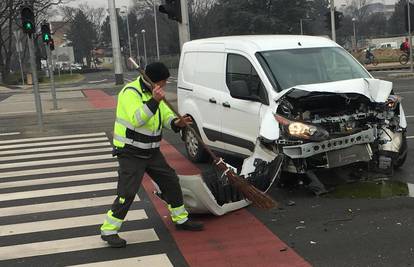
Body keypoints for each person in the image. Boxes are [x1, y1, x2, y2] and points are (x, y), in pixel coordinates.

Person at [100, 62, 204, 248]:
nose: (163, 85)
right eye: (162, 82)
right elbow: (137, 119)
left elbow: (164, 115)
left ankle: (180, 219)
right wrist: (154, 100)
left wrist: (176, 122)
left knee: (170, 181)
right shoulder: (130, 93)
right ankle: (109, 230)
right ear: (152, 80)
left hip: (151, 151)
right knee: (128, 192)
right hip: (130, 151)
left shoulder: (155, 92)